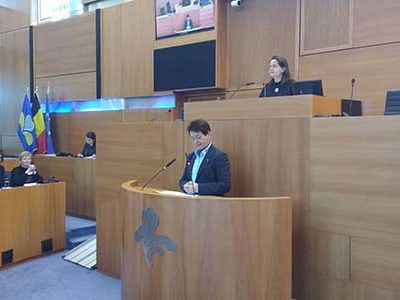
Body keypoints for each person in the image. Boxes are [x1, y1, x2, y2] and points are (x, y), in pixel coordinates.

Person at [179, 119, 230, 196]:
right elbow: (183, 180)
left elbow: (224, 185)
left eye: (198, 137)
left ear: (208, 134)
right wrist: (185, 186)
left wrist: (198, 188)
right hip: (191, 203)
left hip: (211, 203)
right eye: (193, 138)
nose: (196, 141)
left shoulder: (219, 156)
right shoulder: (191, 157)